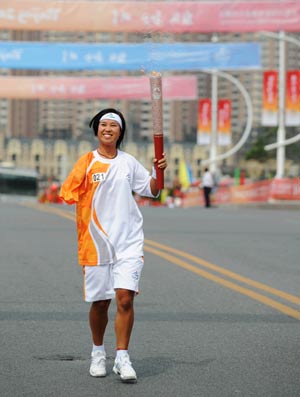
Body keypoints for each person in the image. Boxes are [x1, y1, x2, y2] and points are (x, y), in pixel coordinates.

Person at [59, 108, 167, 383]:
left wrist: (158, 170)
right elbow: (67, 193)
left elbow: (153, 190)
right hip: (96, 243)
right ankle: (98, 353)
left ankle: (122, 357)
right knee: (100, 302)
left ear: (120, 132)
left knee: (125, 299)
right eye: (103, 125)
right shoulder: (87, 162)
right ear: (96, 130)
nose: (108, 129)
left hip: (128, 241)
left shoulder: (129, 162)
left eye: (113, 126)